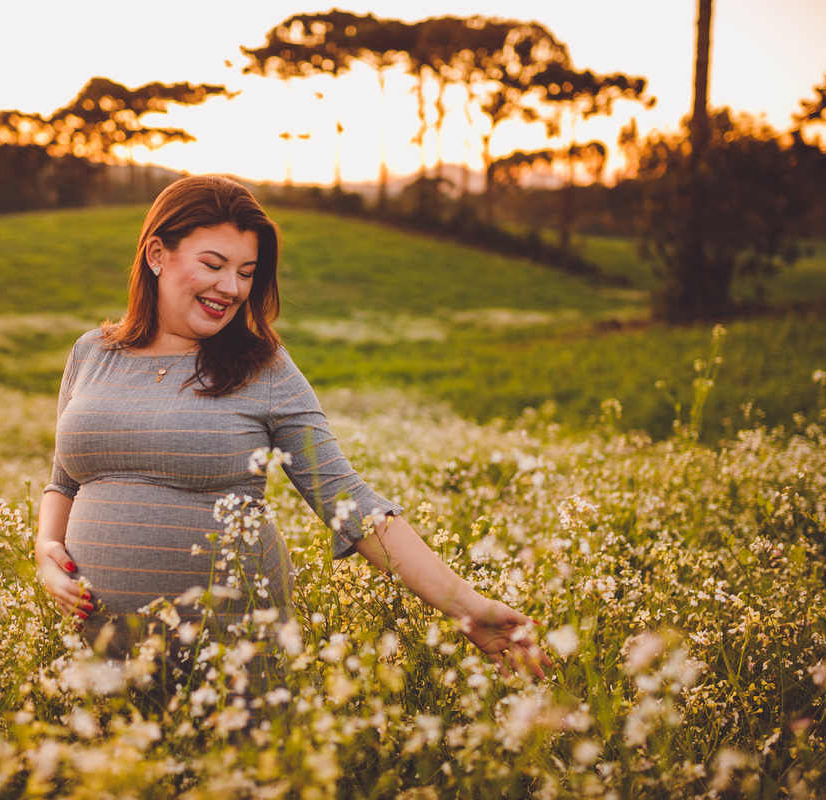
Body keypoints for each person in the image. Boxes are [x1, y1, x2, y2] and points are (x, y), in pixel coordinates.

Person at [35, 175, 550, 681]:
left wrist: (467, 607)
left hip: (227, 660)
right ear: (156, 254)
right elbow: (64, 480)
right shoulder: (91, 353)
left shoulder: (264, 369)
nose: (231, 288)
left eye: (246, 272)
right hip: (96, 665)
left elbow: (346, 500)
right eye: (213, 265)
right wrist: (45, 550)